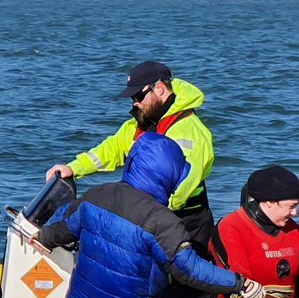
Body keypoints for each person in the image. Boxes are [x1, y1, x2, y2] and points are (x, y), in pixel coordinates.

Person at [37, 133, 263, 298]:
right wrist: (239, 284)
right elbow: (191, 271)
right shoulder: (164, 223)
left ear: (132, 163)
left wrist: (41, 236)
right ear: (171, 179)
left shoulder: (95, 196)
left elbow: (57, 232)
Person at [45, 61, 216, 254]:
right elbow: (111, 149)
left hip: (186, 223)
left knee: (182, 278)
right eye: (132, 97)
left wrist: (140, 213)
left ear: (159, 88)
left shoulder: (189, 131)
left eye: (138, 96)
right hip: (147, 215)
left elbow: (184, 187)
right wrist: (73, 168)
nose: (135, 102)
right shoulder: (143, 122)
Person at [210, 165, 299, 298]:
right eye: (291, 206)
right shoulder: (230, 229)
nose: (295, 213)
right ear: (270, 202)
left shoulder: (295, 232)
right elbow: (241, 290)